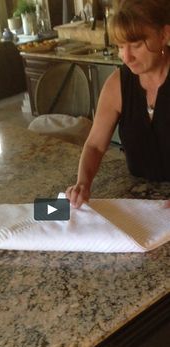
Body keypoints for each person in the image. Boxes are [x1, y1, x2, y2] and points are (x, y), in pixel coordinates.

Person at [66, 0, 170, 209]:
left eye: (136, 45)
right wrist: (83, 183)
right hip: (141, 204)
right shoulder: (117, 84)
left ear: (164, 35)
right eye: (121, 46)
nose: (127, 57)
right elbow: (95, 145)